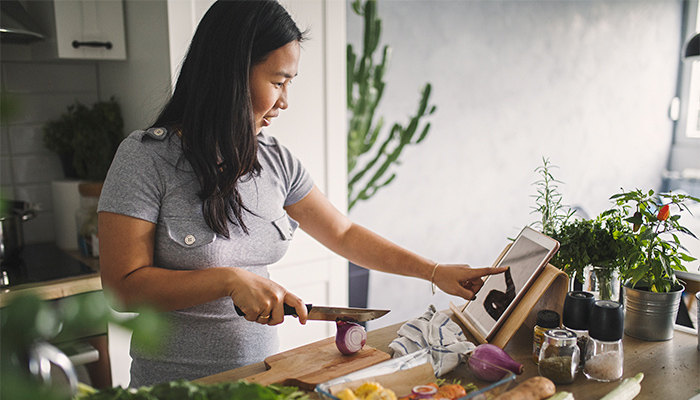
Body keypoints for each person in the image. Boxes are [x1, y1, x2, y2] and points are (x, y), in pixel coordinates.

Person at [97, 0, 508, 387]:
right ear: (230, 74)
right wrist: (227, 280)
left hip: (263, 380)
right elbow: (123, 287)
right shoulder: (145, 158)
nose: (285, 101)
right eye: (278, 81)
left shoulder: (276, 161)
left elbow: (343, 234)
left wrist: (434, 272)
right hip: (177, 388)